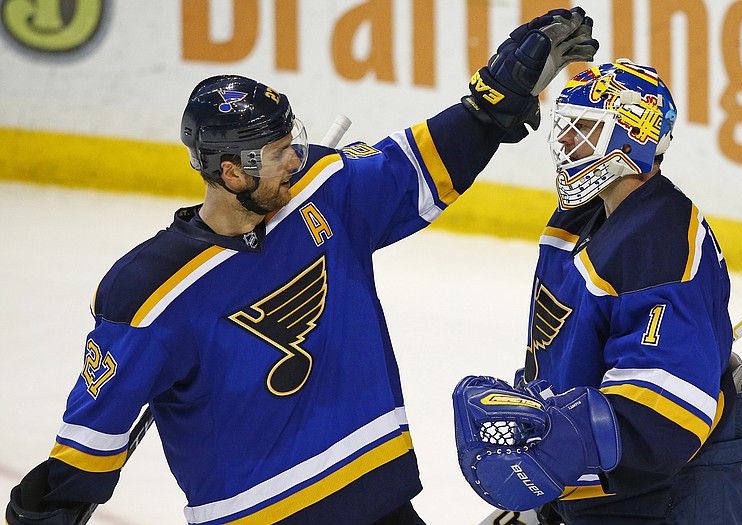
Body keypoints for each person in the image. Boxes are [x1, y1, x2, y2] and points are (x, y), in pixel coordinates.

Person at [5, 8, 599, 525]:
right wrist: (52, 500)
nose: (296, 158)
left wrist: (496, 98)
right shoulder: (150, 292)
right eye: (276, 154)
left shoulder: (322, 191)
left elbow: (423, 162)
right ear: (230, 173)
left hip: (378, 497)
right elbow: (95, 429)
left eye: (294, 140)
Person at [453, 59, 742, 525]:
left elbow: (662, 418)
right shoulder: (576, 217)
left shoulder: (661, 243)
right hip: (604, 484)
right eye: (565, 126)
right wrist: (547, 493)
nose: (562, 141)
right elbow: (562, 362)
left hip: (671, 493)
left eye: (582, 128)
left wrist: (555, 456)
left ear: (631, 137)